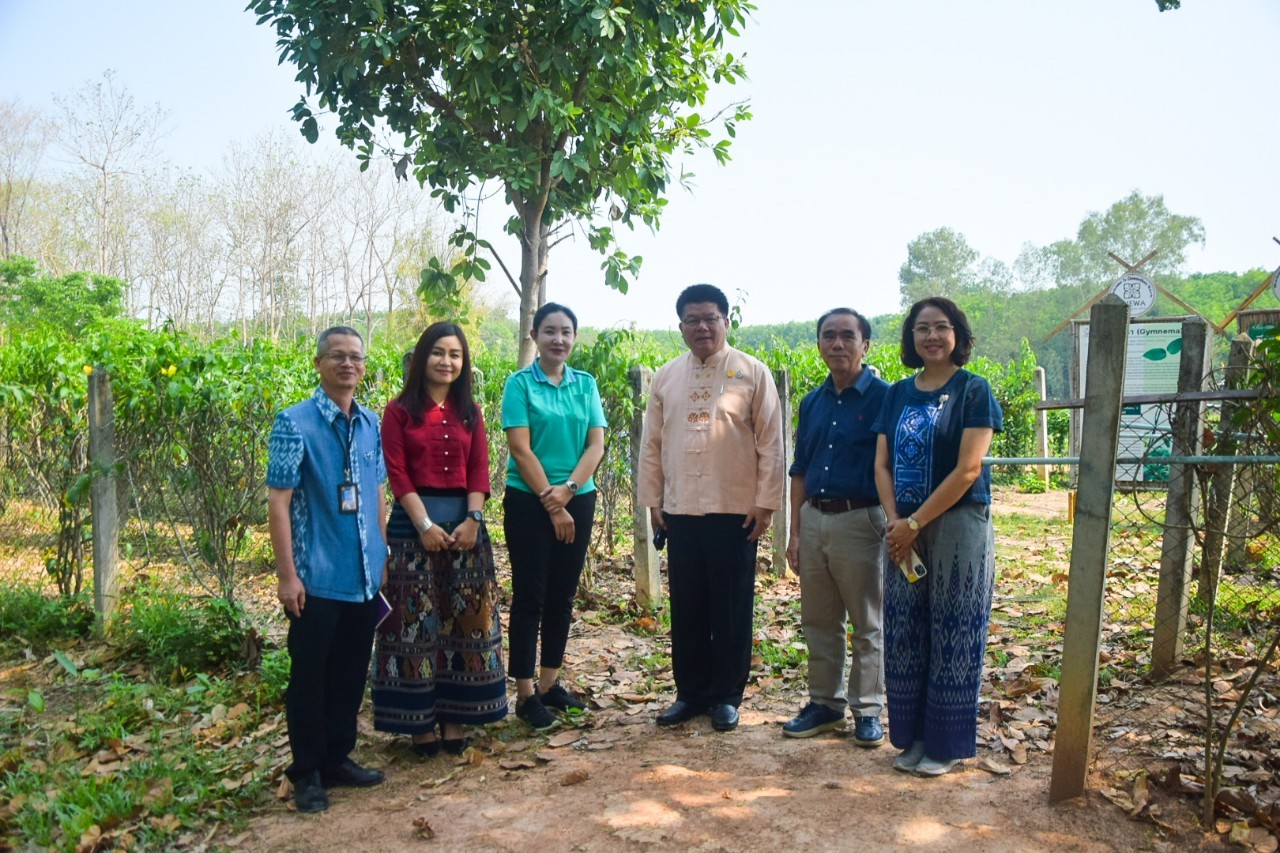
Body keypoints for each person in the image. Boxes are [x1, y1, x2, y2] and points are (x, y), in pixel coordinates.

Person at [638, 283, 785, 732]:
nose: (702, 327)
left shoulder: (751, 372)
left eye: (711, 318)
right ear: (681, 325)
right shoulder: (665, 377)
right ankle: (691, 693)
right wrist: (653, 501)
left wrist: (766, 504)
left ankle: (727, 695)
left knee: (731, 603)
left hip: (734, 508)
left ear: (726, 320)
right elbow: (652, 445)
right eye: (692, 320)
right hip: (681, 508)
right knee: (687, 606)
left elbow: (772, 443)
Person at [872, 297, 1003, 777]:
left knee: (953, 628)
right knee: (906, 630)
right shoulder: (897, 394)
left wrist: (914, 523)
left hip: (955, 524)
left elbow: (969, 468)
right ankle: (914, 737)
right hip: (901, 529)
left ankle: (945, 745)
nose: (930, 336)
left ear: (958, 336)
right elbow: (880, 464)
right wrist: (894, 520)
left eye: (940, 327)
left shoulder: (974, 390)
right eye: (921, 328)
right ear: (911, 338)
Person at [371, 323, 507, 757]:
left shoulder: (470, 411)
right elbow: (397, 473)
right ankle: (418, 725)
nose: (446, 361)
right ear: (421, 357)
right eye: (437, 352)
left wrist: (473, 519)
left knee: (464, 621)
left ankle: (455, 717)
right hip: (413, 532)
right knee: (413, 628)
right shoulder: (398, 412)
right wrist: (425, 526)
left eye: (455, 354)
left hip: (467, 530)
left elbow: (480, 469)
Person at [267, 326, 387, 814]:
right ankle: (307, 771)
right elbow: (279, 503)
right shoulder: (293, 423)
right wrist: (286, 575)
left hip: (362, 576)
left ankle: (338, 757)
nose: (347, 365)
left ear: (363, 367)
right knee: (310, 676)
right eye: (337, 356)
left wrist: (380, 557)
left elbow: (378, 491)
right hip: (316, 577)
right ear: (319, 363)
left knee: (350, 672)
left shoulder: (370, 424)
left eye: (355, 358)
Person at [783, 308, 889, 747]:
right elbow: (801, 469)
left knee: (867, 621)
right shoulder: (812, 401)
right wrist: (793, 531)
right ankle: (825, 704)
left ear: (866, 345)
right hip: (815, 519)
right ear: (819, 345)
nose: (838, 344)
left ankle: (868, 709)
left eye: (848, 336)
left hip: (862, 520)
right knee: (819, 620)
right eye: (829, 336)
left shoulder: (887, 397)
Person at [502, 302, 607, 730]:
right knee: (530, 595)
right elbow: (520, 448)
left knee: (562, 595)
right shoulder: (519, 384)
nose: (558, 339)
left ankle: (550, 684)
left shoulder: (586, 384)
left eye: (566, 331)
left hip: (577, 497)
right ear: (534, 337)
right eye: (549, 331)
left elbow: (595, 446)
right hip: (529, 499)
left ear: (575, 338)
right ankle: (525, 695)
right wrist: (551, 501)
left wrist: (567, 493)